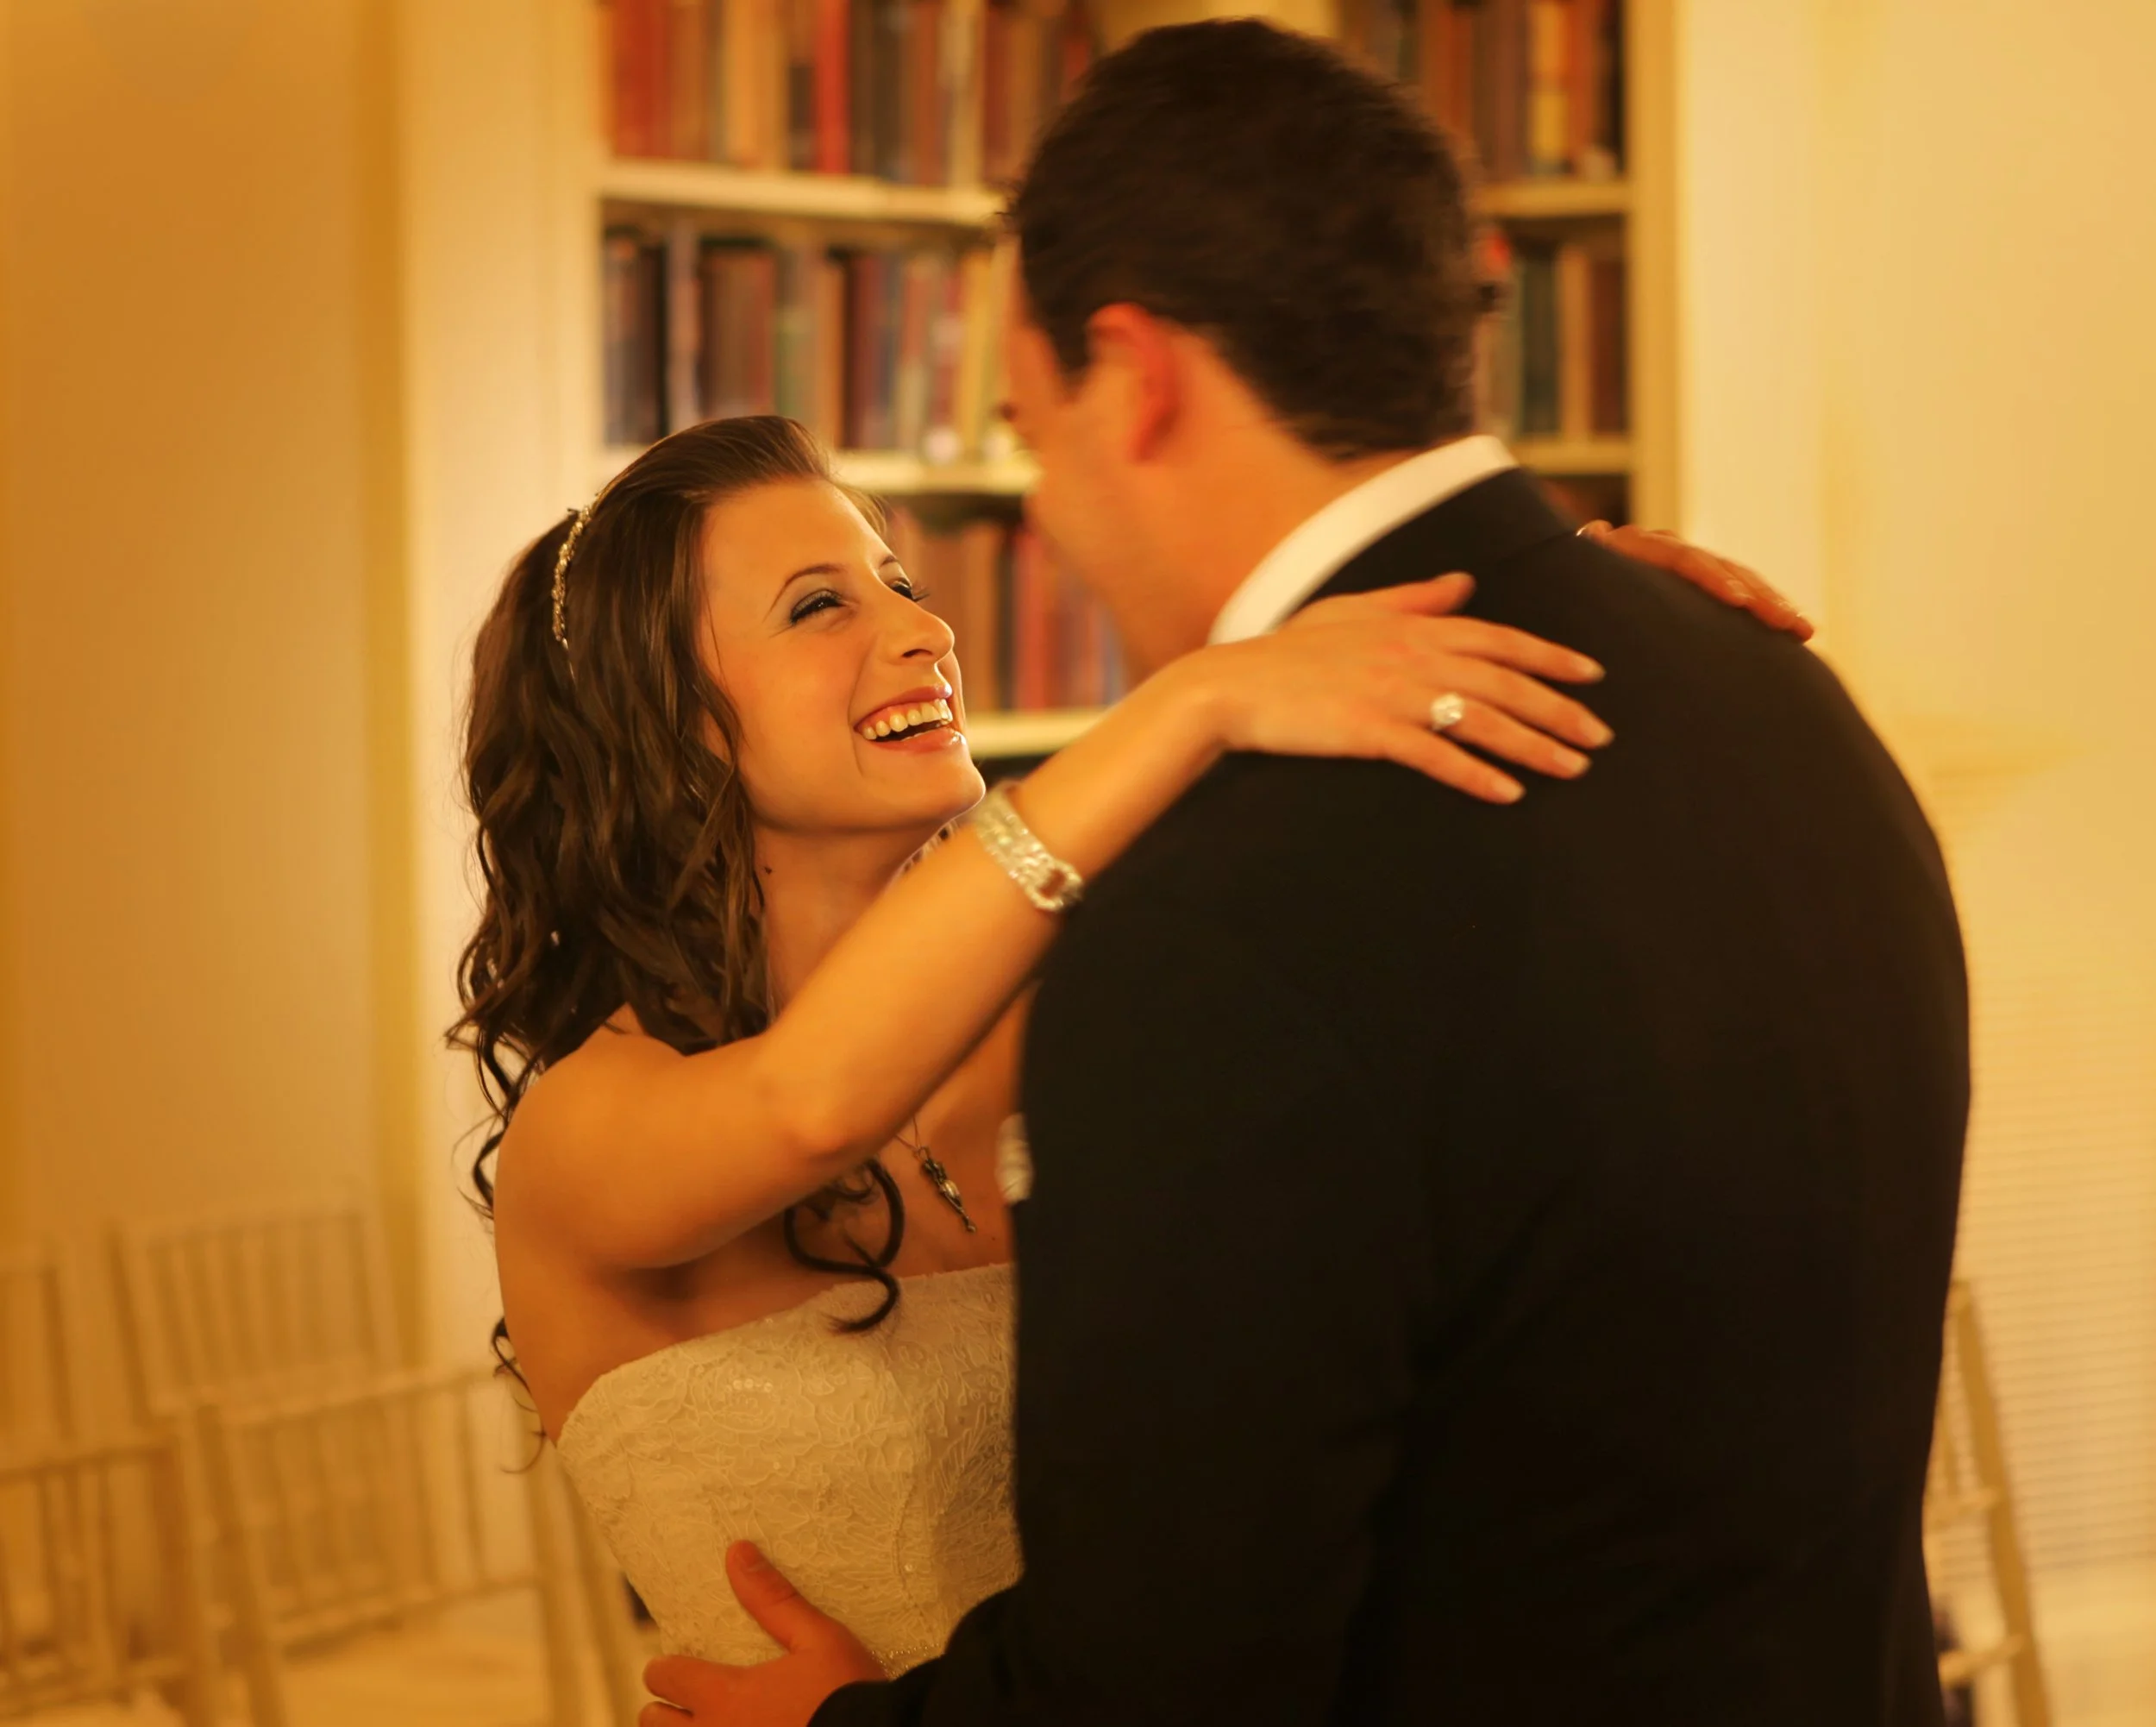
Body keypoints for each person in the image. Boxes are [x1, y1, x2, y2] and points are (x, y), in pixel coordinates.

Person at [646, 20, 1967, 1727]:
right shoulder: (1767, 677)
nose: (1042, 511)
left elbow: (1170, 1681)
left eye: (1034, 430)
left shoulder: (1220, 913)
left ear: (1137, 375)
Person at [463, 416, 1774, 1671]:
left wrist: (1546, 609)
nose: (924, 631)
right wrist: (1198, 699)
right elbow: (811, 1107)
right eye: (821, 605)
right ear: (661, 721)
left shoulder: (1071, 1008)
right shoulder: (584, 1130)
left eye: (900, 581)